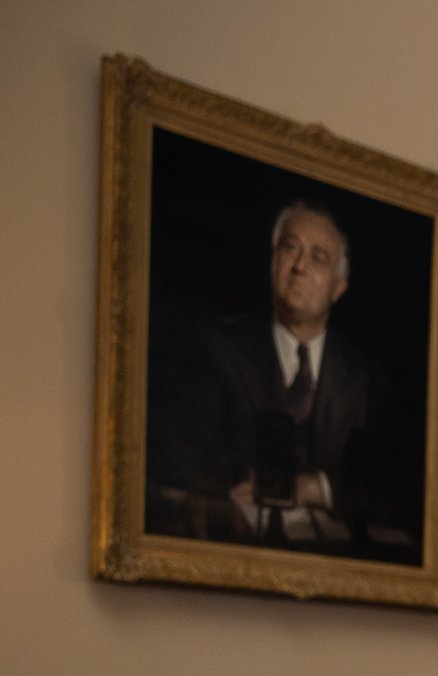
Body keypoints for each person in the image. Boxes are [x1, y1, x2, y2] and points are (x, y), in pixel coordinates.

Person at [146, 200, 418, 556]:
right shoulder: (216, 350)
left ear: (339, 287)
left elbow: (403, 490)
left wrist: (315, 488)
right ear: (274, 259)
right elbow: (173, 469)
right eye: (291, 248)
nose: (300, 266)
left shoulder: (365, 380)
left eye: (318, 257)